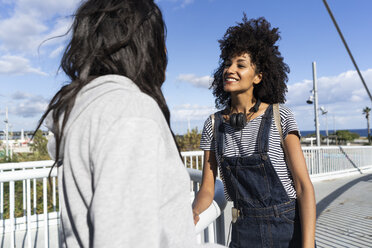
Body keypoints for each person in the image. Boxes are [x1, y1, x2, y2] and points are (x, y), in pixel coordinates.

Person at [36, 0, 224, 247]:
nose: (166, 51)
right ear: (144, 46)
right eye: (158, 39)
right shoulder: (130, 112)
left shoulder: (86, 107)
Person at [192, 16, 316, 248]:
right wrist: (193, 212)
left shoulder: (281, 116)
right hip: (243, 231)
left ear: (258, 77)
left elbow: (303, 186)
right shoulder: (212, 124)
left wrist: (307, 246)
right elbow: (208, 187)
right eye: (228, 64)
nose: (230, 70)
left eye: (240, 65)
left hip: (288, 230)